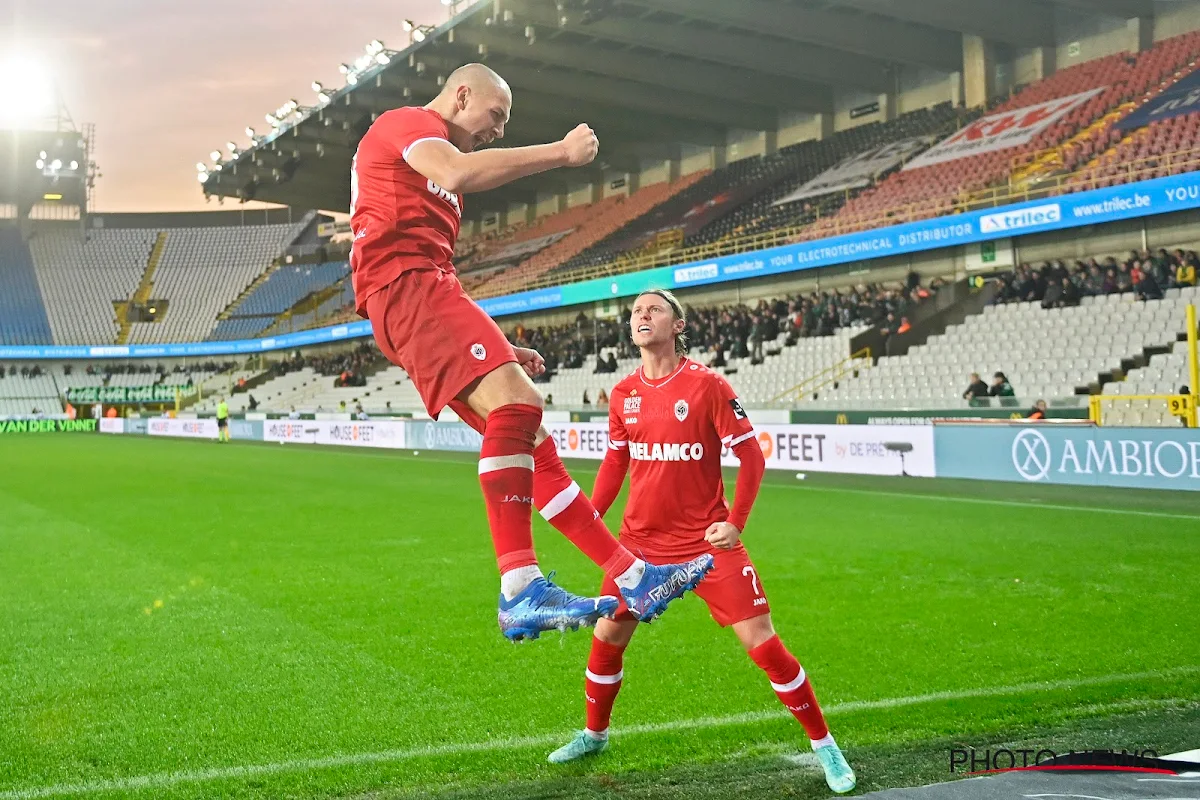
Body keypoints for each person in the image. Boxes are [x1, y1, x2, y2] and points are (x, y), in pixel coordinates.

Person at [349, 63, 711, 641]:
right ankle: (519, 587)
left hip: (419, 291)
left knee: (532, 441)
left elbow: (441, 271)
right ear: (461, 94)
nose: (498, 130)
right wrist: (562, 154)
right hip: (404, 288)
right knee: (519, 407)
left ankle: (632, 573)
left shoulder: (431, 177)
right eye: (496, 116)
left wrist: (499, 343)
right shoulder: (409, 126)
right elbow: (458, 172)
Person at [545, 290, 856, 795]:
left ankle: (824, 744)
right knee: (607, 638)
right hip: (638, 545)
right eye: (636, 313)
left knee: (764, 644)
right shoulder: (623, 393)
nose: (642, 316)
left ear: (679, 324)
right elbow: (616, 462)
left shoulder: (708, 385)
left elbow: (752, 457)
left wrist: (737, 522)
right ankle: (594, 734)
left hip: (707, 546)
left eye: (654, 310)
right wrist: (592, 515)